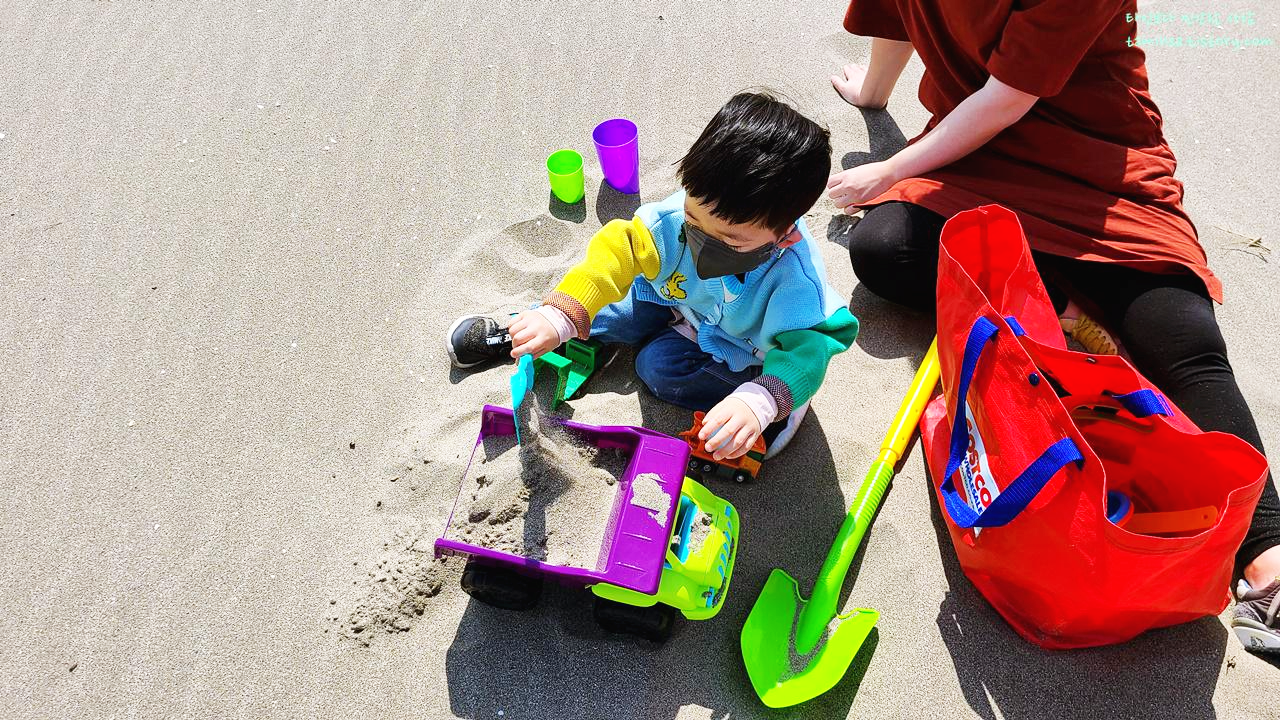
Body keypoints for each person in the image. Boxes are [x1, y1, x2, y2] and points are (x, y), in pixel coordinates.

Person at [828, 0, 1279, 653]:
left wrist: (894, 168)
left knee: (1185, 344)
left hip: (1099, 166)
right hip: (974, 158)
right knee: (884, 250)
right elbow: (897, 12)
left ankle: (1267, 549)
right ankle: (1067, 314)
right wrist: (872, 93)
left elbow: (1009, 99)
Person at [447, 92, 859, 461]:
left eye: (730, 241)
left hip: (748, 352)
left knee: (657, 365)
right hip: (681, 301)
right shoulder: (674, 219)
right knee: (613, 313)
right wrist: (561, 314)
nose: (702, 240)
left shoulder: (794, 280)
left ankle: (762, 408)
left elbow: (812, 347)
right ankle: (530, 329)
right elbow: (619, 251)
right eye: (695, 219)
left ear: (783, 235)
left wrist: (763, 399)